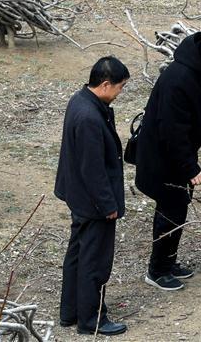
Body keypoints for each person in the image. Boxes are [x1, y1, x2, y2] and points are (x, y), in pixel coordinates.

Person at [134, 30, 201, 291]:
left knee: (178, 209)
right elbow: (173, 130)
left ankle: (169, 262)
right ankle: (157, 270)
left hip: (179, 155)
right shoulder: (179, 79)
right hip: (163, 157)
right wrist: (190, 168)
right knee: (169, 212)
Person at [55, 56, 130, 336]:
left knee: (77, 254)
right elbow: (93, 168)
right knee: (94, 261)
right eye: (120, 87)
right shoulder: (89, 117)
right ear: (106, 84)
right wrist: (108, 204)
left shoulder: (80, 100)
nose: (120, 93)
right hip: (93, 202)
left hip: (78, 195)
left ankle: (71, 312)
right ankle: (92, 319)